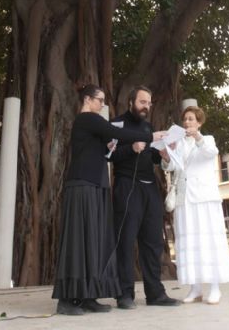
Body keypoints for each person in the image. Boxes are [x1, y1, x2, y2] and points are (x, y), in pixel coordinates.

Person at [52, 84, 167, 316]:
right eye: (99, 99)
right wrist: (150, 136)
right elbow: (121, 134)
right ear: (87, 99)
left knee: (93, 241)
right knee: (78, 241)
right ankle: (66, 300)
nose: (102, 104)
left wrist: (110, 147)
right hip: (82, 184)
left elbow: (106, 151)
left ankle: (87, 297)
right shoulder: (87, 118)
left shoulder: (95, 124)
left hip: (96, 185)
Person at [110, 86, 181, 309]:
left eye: (149, 103)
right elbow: (111, 156)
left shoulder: (149, 127)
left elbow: (151, 157)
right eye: (142, 102)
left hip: (150, 189)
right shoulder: (116, 124)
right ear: (131, 101)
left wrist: (162, 154)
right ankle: (125, 294)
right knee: (126, 241)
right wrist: (131, 147)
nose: (146, 107)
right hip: (126, 186)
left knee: (153, 242)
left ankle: (155, 293)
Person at [160, 105, 229, 305]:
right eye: (185, 119)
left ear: (199, 122)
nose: (187, 122)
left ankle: (215, 287)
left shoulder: (207, 140)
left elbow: (211, 153)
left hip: (204, 197)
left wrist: (198, 136)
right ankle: (195, 288)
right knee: (188, 243)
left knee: (208, 241)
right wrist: (166, 157)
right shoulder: (180, 143)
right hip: (184, 199)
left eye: (191, 119)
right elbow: (174, 166)